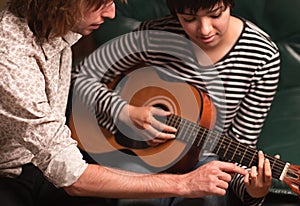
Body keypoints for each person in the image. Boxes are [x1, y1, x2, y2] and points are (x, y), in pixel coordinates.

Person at [0, 0, 249, 206]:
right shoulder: (10, 57)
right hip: (11, 174)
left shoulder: (63, 29)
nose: (112, 13)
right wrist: (186, 183)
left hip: (44, 165)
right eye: (99, 3)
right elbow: (73, 177)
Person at [70, 0, 281, 205]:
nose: (205, 29)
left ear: (230, 4)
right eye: (189, 18)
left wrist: (252, 192)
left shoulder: (263, 55)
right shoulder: (155, 36)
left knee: (205, 200)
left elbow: (240, 147)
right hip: (138, 152)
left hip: (206, 158)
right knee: (136, 200)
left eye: (216, 15)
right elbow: (80, 76)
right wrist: (123, 112)